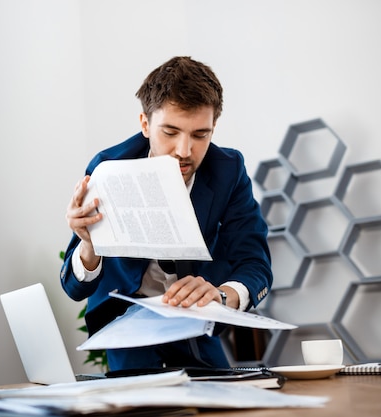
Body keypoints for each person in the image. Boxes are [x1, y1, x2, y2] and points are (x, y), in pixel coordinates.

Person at [60, 56, 272, 372]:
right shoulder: (108, 169)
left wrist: (222, 296)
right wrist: (89, 245)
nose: (184, 151)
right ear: (145, 123)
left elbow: (255, 263)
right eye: (170, 132)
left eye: (201, 134)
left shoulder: (229, 171)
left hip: (198, 328)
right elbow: (75, 288)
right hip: (127, 333)